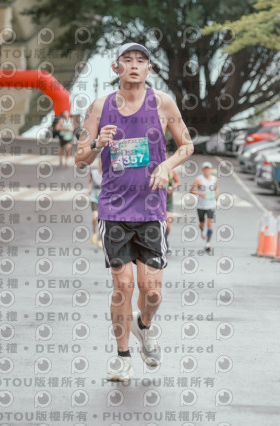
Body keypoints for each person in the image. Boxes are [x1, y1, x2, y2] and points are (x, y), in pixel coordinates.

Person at [74, 42, 194, 382]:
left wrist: (166, 166)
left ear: (149, 69)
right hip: (114, 209)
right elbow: (79, 157)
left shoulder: (163, 103)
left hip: (152, 210)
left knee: (151, 292)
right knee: (123, 286)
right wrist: (97, 144)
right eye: (127, 60)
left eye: (141, 60)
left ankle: (145, 325)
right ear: (116, 68)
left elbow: (187, 145)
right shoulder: (100, 106)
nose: (134, 65)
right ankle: (122, 357)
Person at [190, 162, 218, 252]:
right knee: (202, 223)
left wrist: (216, 195)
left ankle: (207, 243)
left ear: (211, 170)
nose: (207, 171)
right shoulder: (198, 179)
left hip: (211, 204)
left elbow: (216, 188)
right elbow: (191, 190)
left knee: (209, 223)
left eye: (208, 169)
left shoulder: (214, 179)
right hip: (201, 205)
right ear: (203, 170)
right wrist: (200, 193)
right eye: (205, 169)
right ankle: (203, 231)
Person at [88, 157, 103, 249]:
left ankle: (100, 239)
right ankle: (94, 232)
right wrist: (89, 189)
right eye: (101, 163)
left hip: (103, 199)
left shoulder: (107, 174)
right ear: (99, 163)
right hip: (94, 197)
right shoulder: (93, 173)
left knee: (101, 219)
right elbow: (89, 182)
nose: (102, 164)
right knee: (95, 217)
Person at [165, 168, 180, 249]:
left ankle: (165, 240)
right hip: (157, 203)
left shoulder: (172, 171)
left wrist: (172, 187)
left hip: (168, 202)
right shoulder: (157, 170)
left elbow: (178, 182)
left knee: (168, 225)